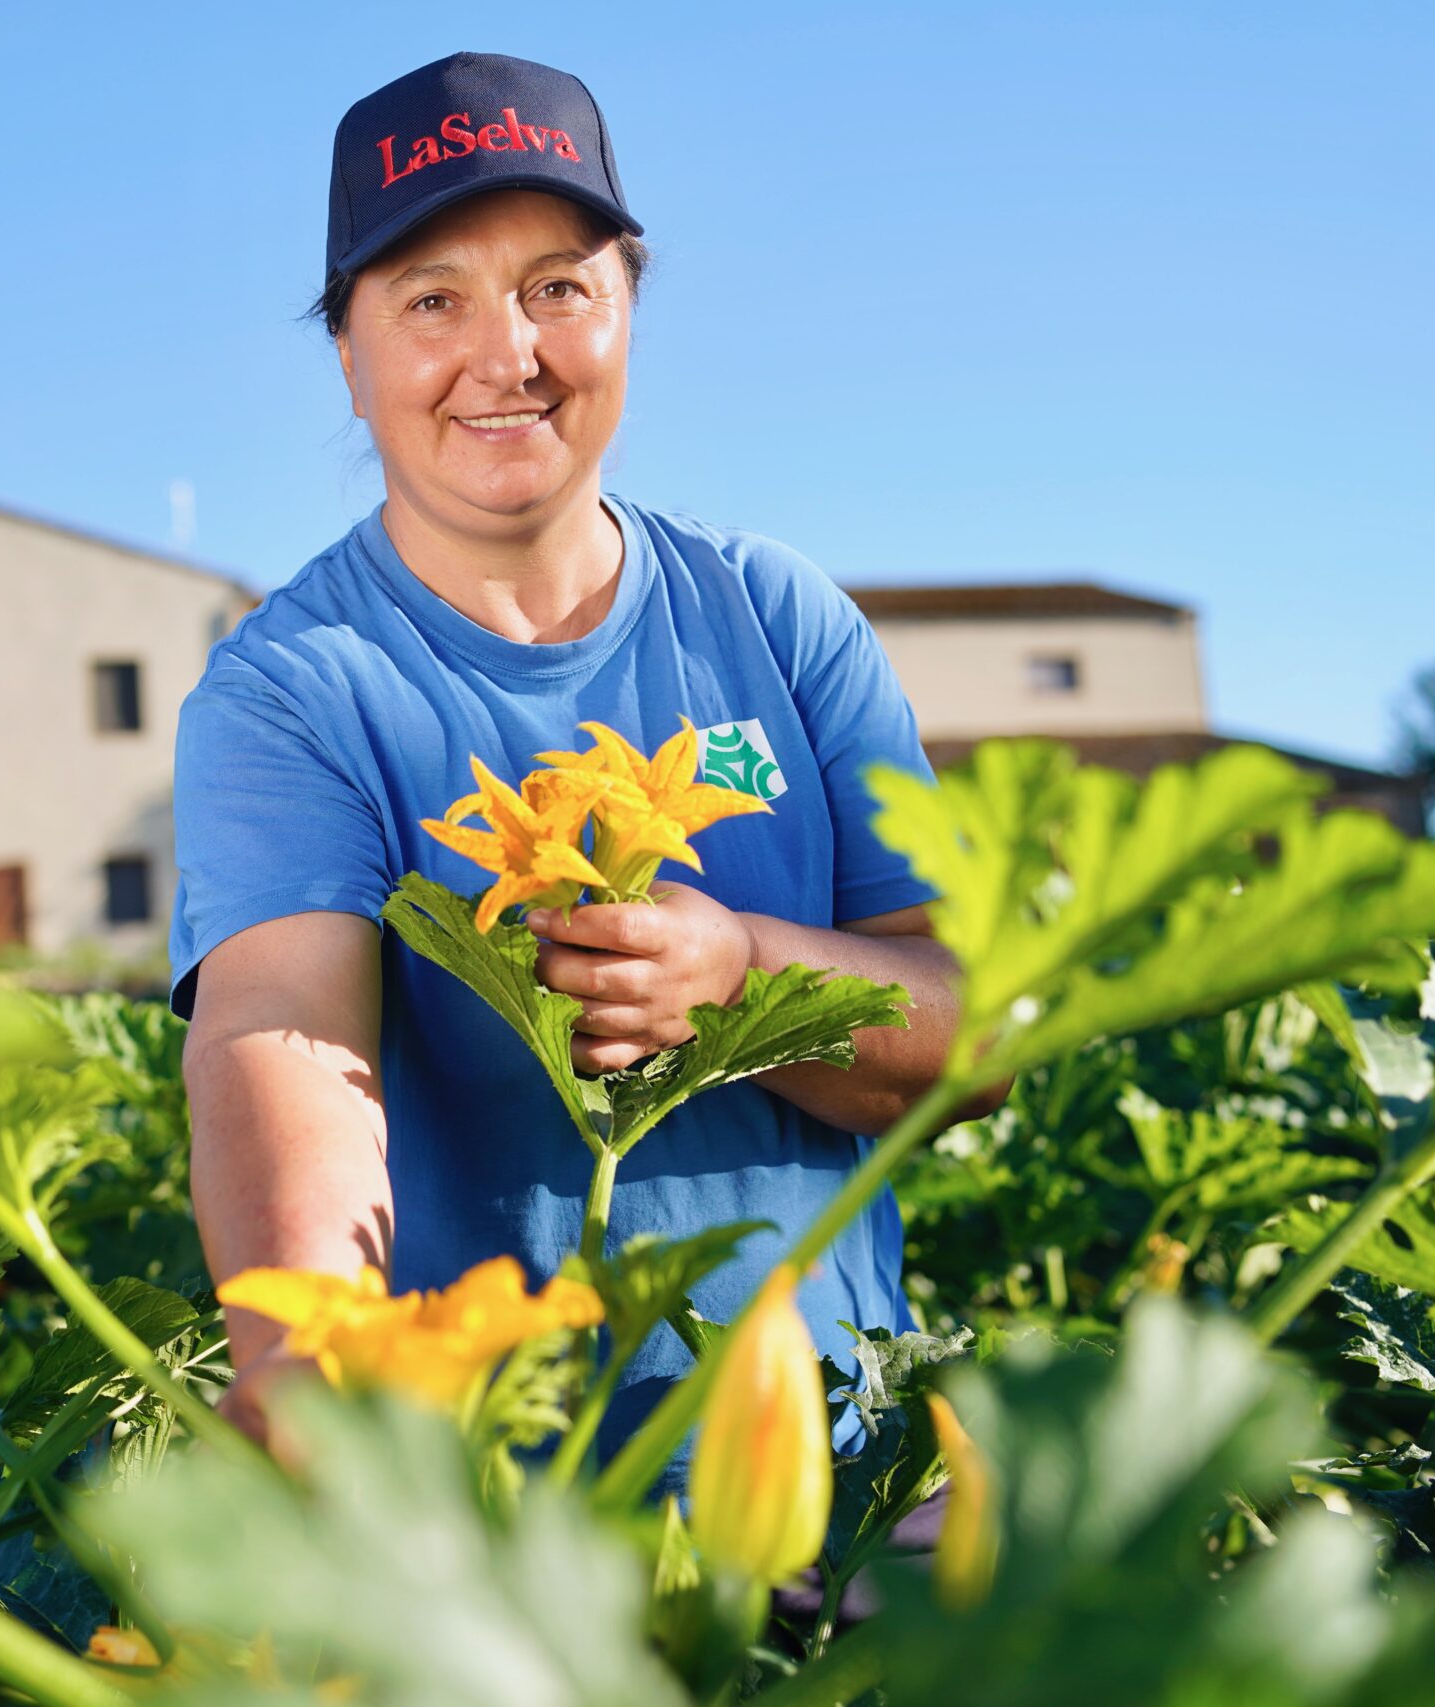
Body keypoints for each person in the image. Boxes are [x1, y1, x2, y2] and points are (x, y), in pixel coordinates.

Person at [167, 50, 991, 1488]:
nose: (509, 355)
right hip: (488, 1503)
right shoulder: (293, 686)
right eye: (432, 301)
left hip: (831, 1466)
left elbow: (970, 1032)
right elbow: (278, 1030)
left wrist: (740, 971)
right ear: (350, 358)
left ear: (626, 311)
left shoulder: (777, 616)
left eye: (560, 286)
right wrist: (311, 1368)